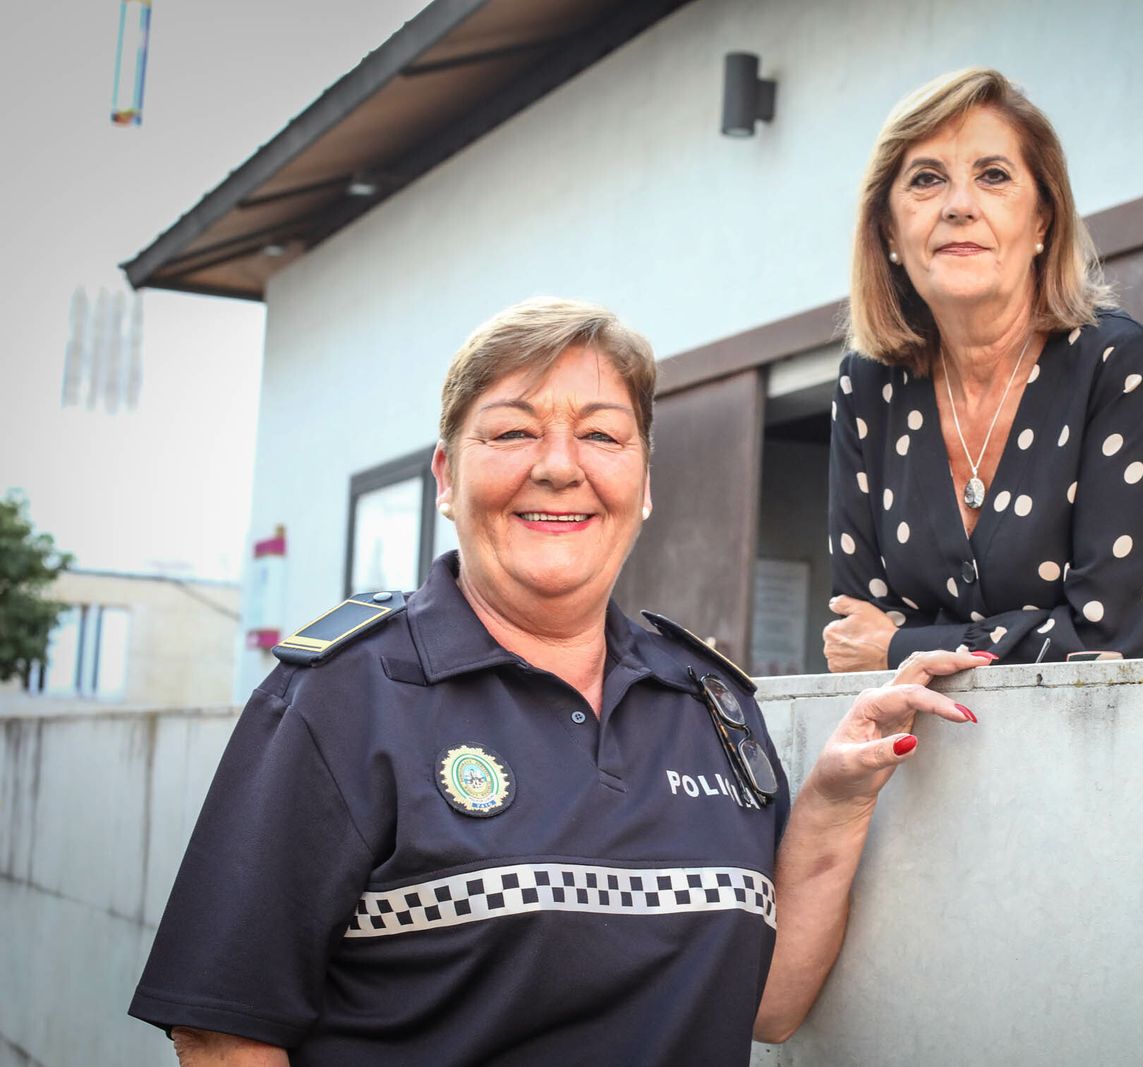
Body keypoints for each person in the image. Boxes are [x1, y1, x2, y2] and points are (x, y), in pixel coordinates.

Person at [130, 298, 985, 1065]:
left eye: (603, 435)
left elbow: (767, 1005)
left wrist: (837, 799)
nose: (558, 466)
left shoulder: (712, 706)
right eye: (511, 432)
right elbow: (223, 1028)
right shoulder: (345, 696)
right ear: (444, 478)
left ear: (644, 484)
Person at [826, 68, 1143, 671]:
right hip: (954, 739)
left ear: (1041, 222)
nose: (958, 206)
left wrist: (904, 647)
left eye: (993, 176)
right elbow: (857, 632)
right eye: (927, 179)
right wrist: (1060, 637)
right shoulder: (867, 385)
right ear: (889, 231)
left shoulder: (1118, 363)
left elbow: (1115, 640)